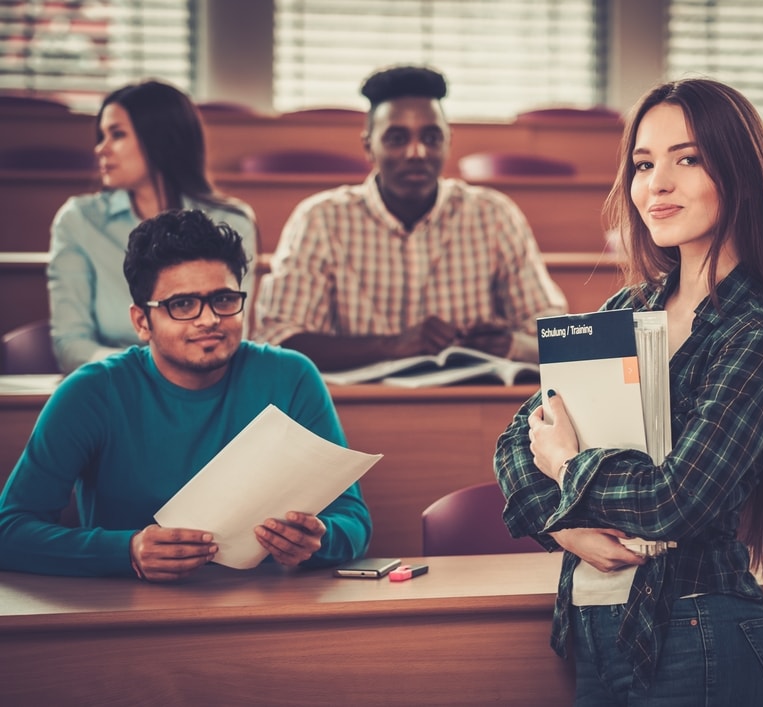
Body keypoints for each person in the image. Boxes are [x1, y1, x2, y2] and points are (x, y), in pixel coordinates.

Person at [494, 78, 763, 704]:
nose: (655, 183)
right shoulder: (626, 308)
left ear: (740, 173)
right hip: (597, 628)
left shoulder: (761, 337)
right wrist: (565, 531)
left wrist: (566, 466)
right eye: (643, 164)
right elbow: (513, 445)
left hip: (704, 635)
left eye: (686, 158)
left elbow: (676, 502)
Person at [0, 209, 370, 581]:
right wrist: (126, 551)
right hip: (129, 610)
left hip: (266, 605)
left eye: (224, 299)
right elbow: (9, 529)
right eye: (183, 304)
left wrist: (318, 541)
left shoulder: (291, 375)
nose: (209, 319)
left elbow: (353, 520)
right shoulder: (91, 392)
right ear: (142, 321)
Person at [253, 64, 566, 370]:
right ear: (368, 146)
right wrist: (393, 345)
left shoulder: (494, 215)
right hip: (357, 410)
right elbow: (279, 337)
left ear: (448, 141)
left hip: (472, 407)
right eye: (397, 138)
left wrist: (509, 343)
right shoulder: (320, 219)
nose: (416, 152)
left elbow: (554, 331)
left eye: (431, 138)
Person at [48, 79, 259, 374]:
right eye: (101, 136)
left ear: (160, 140)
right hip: (114, 387)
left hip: (205, 383)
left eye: (117, 135)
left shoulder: (232, 221)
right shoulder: (79, 220)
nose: (100, 149)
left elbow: (233, 333)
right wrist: (147, 375)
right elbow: (71, 345)